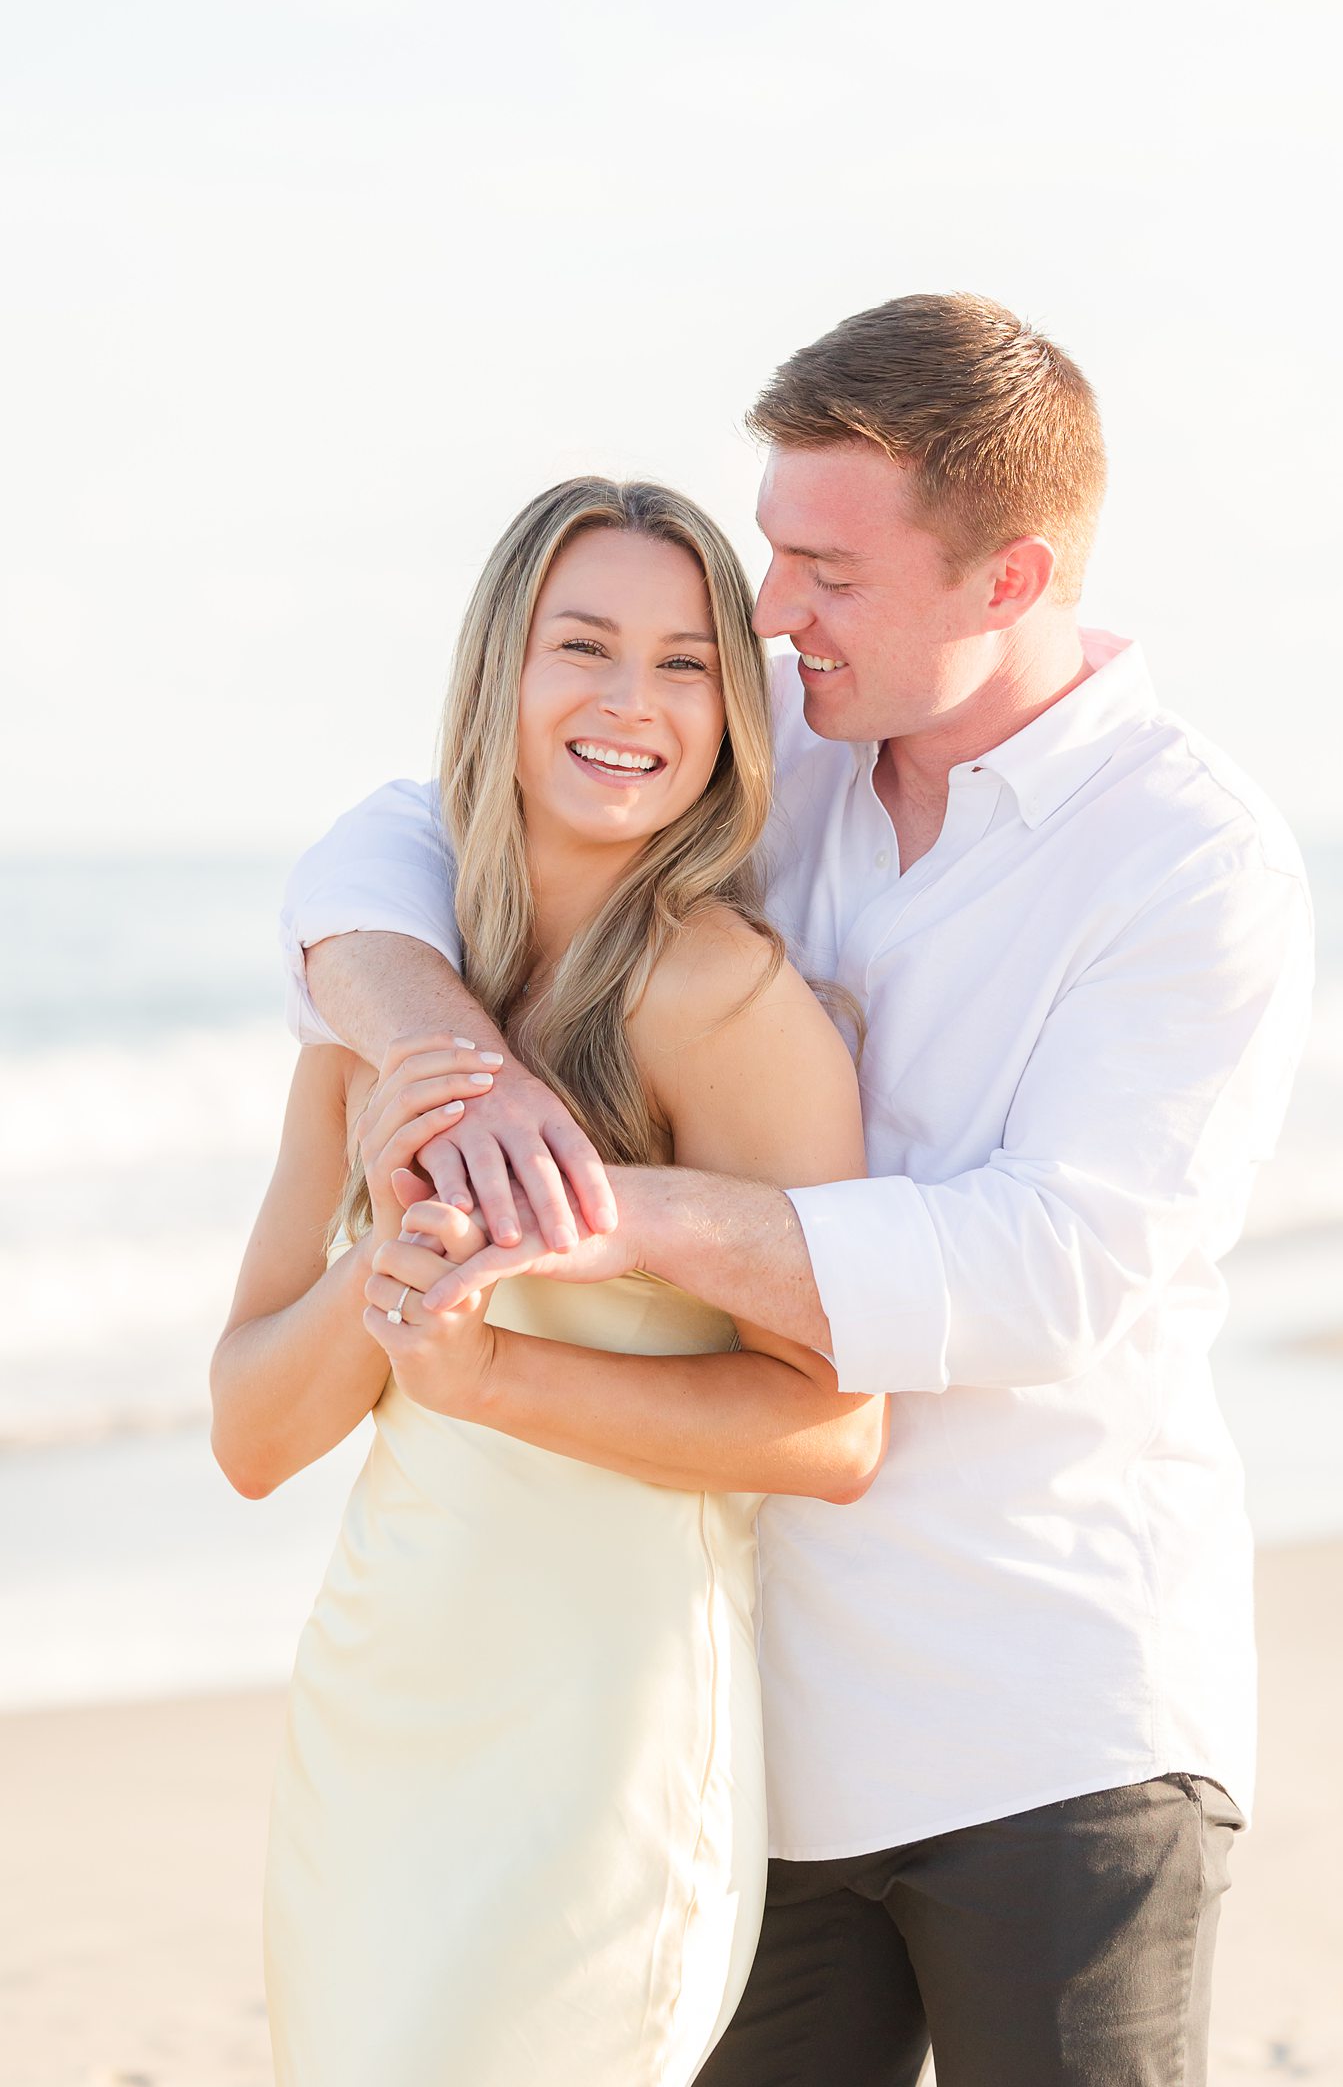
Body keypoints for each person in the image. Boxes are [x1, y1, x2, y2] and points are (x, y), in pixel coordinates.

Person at [280, 294, 1315, 2086]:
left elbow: (1047, 1268)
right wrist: (452, 1049)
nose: (769, 611)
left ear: (1008, 578)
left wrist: (584, 1204)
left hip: (1052, 1716)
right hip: (758, 1730)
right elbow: (404, 829)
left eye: (827, 567)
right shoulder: (794, 739)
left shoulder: (1192, 862)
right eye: (772, 549)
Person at [211, 476, 886, 2087]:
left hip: (604, 1749)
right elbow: (248, 1433)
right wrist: (387, 1271)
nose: (630, 705)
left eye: (683, 664)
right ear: (499, 671)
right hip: (381, 1717)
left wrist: (495, 1377)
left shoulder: (728, 1001)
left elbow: (835, 1431)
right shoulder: (382, 1011)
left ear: (734, 709)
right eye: (583, 647)